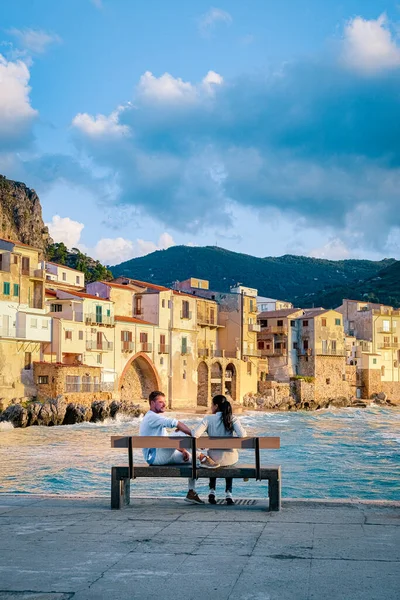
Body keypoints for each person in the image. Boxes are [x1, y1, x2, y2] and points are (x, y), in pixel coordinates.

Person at [139, 390, 220, 504]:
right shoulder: (152, 417)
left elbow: (165, 440)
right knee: (180, 432)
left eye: (164, 402)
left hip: (161, 454)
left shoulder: (155, 418)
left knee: (193, 460)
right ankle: (202, 456)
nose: (164, 405)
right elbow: (175, 422)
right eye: (160, 402)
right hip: (155, 457)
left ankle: (191, 492)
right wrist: (193, 434)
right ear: (152, 403)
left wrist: (182, 450)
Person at [193, 394, 246, 505]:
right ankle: (228, 494)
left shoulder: (208, 419)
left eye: (212, 405)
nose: (211, 407)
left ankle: (212, 492)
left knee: (212, 461)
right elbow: (242, 435)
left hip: (214, 458)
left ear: (216, 406)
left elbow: (195, 434)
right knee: (229, 461)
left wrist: (203, 442)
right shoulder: (232, 418)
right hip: (230, 458)